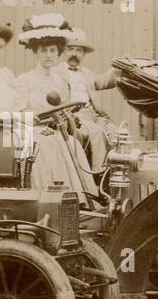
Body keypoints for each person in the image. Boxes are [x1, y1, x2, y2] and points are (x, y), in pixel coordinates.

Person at [14, 14, 96, 198]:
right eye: (44, 50)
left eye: (52, 50)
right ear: (36, 52)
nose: (48, 55)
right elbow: (21, 110)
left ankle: (77, 198)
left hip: (57, 130)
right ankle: (44, 199)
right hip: (33, 131)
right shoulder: (24, 80)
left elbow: (64, 108)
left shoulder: (61, 80)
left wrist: (67, 118)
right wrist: (35, 121)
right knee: (45, 145)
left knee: (71, 143)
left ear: (58, 52)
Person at [54, 28, 118, 168]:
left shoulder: (87, 73)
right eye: (71, 49)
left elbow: (103, 81)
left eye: (79, 50)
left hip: (95, 115)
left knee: (118, 134)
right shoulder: (55, 73)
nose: (74, 54)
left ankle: (113, 173)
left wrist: (118, 69)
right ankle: (98, 174)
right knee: (96, 133)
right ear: (63, 51)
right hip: (75, 115)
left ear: (84, 54)